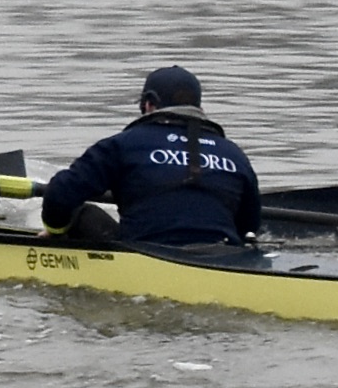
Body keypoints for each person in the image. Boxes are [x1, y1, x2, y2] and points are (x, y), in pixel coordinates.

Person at [41, 65, 262, 250]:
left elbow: (59, 195)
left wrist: (55, 231)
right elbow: (250, 224)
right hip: (221, 260)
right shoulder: (234, 154)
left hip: (144, 257)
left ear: (148, 104)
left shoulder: (122, 145)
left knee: (82, 214)